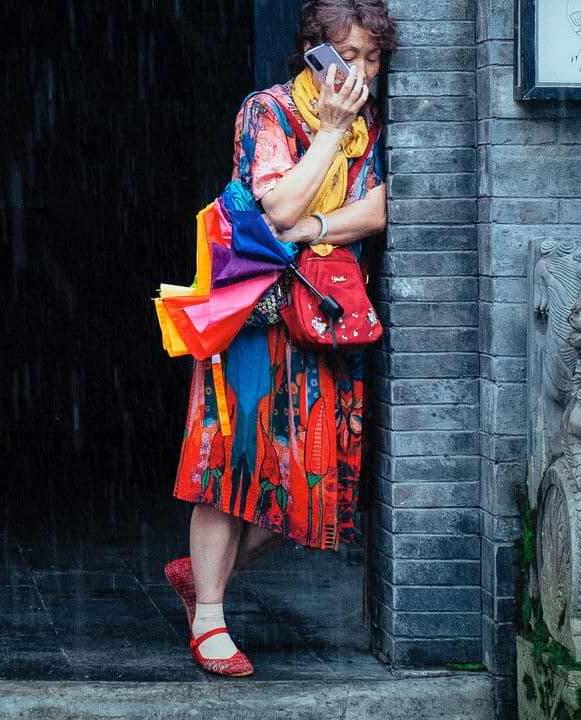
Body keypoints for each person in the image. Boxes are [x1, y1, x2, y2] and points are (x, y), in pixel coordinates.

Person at [163, 0, 396, 678]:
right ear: (314, 54)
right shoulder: (266, 111)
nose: (361, 74)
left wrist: (311, 228)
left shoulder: (378, 125)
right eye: (347, 57)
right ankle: (209, 617)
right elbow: (276, 206)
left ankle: (198, 575)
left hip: (324, 317)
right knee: (229, 468)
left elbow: (381, 208)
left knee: (307, 489)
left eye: (372, 60)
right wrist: (331, 134)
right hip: (254, 319)